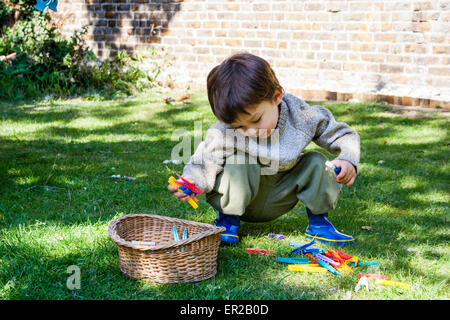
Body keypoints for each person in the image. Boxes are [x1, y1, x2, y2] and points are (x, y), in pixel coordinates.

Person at [167, 52, 360, 246]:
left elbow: (342, 134)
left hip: (281, 193)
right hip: (237, 197)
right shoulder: (225, 131)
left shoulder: (301, 116)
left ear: (277, 96)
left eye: (257, 120)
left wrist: (348, 158)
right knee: (239, 160)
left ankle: (319, 225)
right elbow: (206, 159)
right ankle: (227, 222)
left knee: (316, 161)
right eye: (239, 126)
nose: (249, 131)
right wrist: (193, 181)